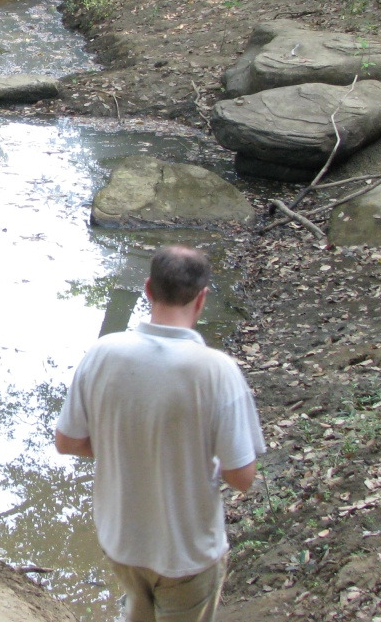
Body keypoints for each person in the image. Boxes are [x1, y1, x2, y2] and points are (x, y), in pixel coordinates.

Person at [55, 245, 264, 622]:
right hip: (187, 552)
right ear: (202, 299)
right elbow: (242, 477)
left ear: (148, 289)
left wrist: (129, 445)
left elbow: (67, 441)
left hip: (122, 541)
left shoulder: (103, 354)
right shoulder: (218, 371)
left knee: (136, 609)